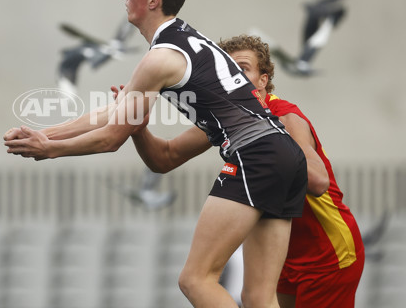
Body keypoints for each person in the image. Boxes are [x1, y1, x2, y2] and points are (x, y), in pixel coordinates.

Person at [4, 0, 307, 307]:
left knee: (195, 280)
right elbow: (115, 113)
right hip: (285, 155)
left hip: (255, 157)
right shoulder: (191, 42)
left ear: (153, 0)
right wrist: (46, 134)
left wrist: (50, 150)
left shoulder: (159, 59)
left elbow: (111, 138)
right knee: (258, 297)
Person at [113, 34, 364, 308]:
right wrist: (138, 129)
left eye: (243, 68)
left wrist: (271, 156)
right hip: (285, 253)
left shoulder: (285, 117)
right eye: (230, 70)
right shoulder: (229, 119)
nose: (237, 77)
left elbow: (318, 181)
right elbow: (165, 158)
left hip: (329, 254)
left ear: (263, 79)